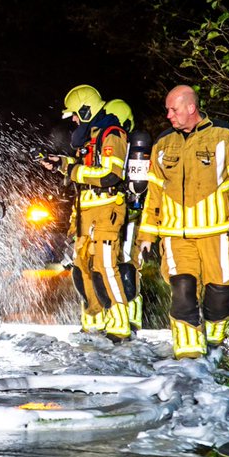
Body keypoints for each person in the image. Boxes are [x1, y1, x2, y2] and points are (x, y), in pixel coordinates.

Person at [137, 85, 229, 358]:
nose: (168, 115)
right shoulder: (163, 143)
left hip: (218, 233)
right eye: (167, 110)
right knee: (182, 289)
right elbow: (154, 192)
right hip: (175, 236)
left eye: (173, 109)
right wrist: (147, 235)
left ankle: (214, 344)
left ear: (191, 107)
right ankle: (189, 357)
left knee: (220, 291)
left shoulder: (224, 136)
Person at [41, 84, 132, 342]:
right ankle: (94, 321)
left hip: (106, 209)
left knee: (105, 266)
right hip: (86, 211)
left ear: (86, 109)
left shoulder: (112, 134)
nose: (73, 119)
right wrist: (61, 163)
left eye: (75, 114)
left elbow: (110, 174)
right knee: (82, 268)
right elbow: (83, 167)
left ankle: (119, 324)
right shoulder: (90, 137)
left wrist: (73, 172)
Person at [100, 97, 145, 332]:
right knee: (127, 261)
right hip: (131, 212)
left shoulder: (114, 142)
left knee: (122, 262)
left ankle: (125, 316)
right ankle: (131, 315)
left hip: (120, 211)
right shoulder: (132, 145)